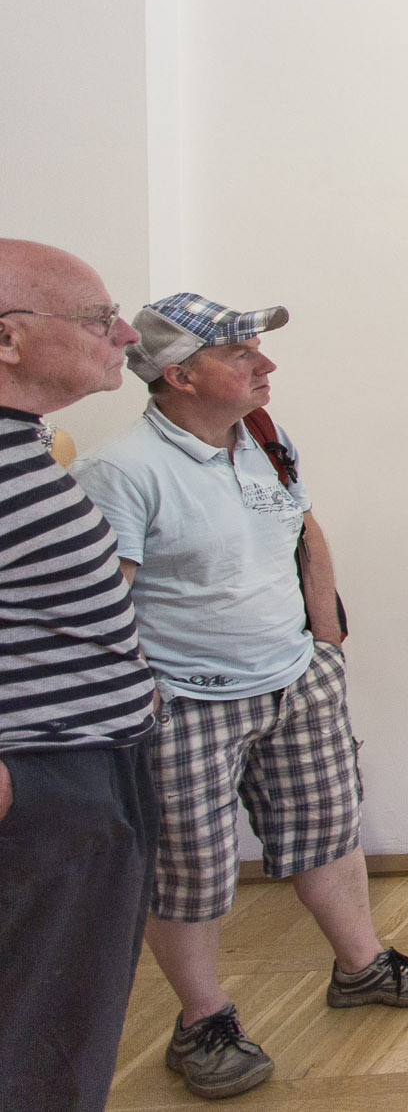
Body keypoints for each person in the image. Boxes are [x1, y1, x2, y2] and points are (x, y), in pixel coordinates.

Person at [71, 294, 408, 1101]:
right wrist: (138, 704)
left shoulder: (265, 442)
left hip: (295, 680)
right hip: (181, 701)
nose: (264, 363)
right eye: (240, 352)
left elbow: (303, 530)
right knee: (191, 873)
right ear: (179, 375)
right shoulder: (121, 471)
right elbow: (104, 606)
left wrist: (326, 645)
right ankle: (201, 1022)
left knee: (328, 832)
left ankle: (361, 968)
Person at [0, 241, 158, 1112]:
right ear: (9, 342)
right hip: (45, 789)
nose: (124, 334)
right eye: (98, 319)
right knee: (38, 1034)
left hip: (84, 777)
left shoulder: (24, 444)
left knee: (65, 1020)